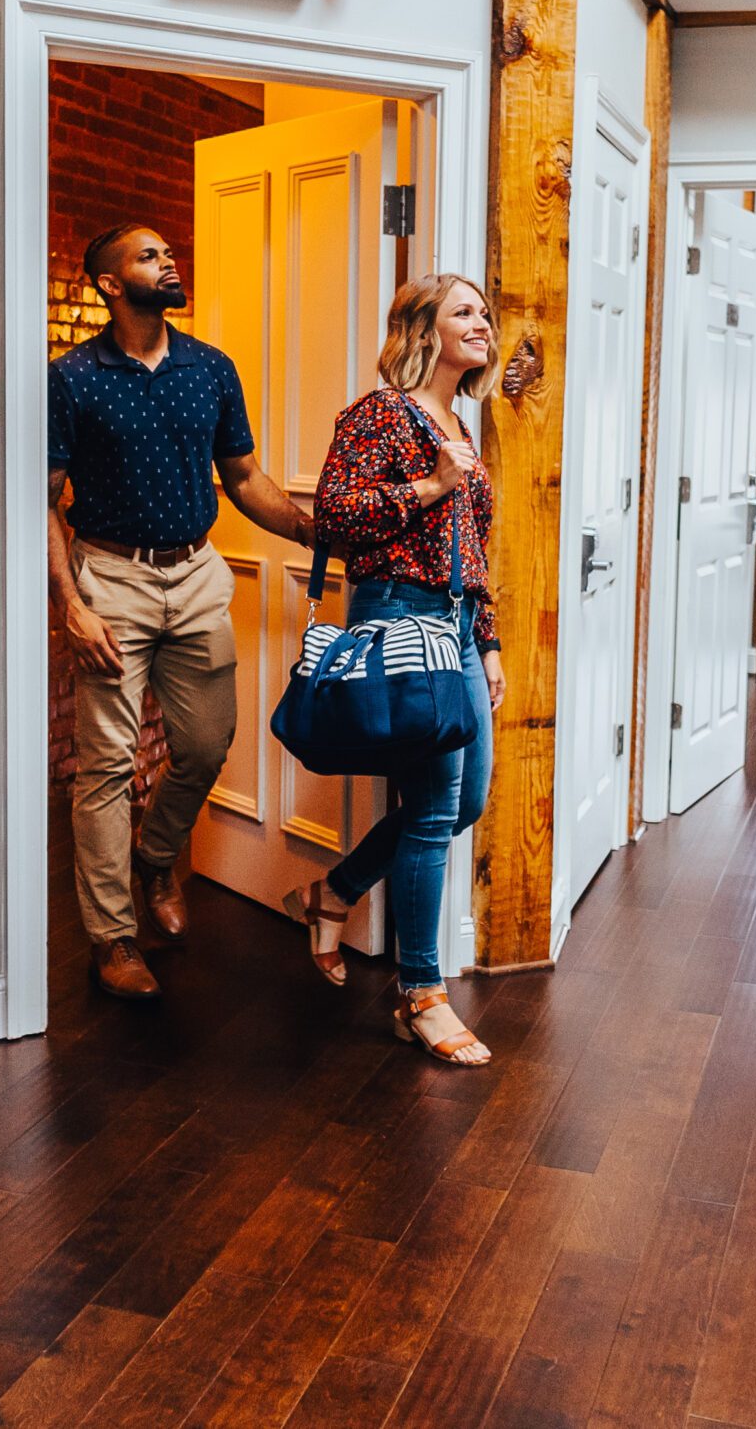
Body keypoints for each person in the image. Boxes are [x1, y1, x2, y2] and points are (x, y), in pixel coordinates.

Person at [50, 223, 313, 1000]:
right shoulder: (72, 378)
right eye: (149, 256)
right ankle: (112, 936)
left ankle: (156, 853)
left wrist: (309, 528)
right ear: (109, 283)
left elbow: (245, 477)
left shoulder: (210, 368)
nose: (168, 262)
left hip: (197, 573)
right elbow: (42, 500)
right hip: (110, 577)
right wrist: (71, 605)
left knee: (205, 743)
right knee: (106, 764)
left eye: (168, 253)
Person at [291, 272, 505, 1065]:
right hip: (399, 615)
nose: (482, 323)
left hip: (456, 624)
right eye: (463, 311)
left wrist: (489, 643)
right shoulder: (380, 413)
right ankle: (421, 994)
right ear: (423, 329)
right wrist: (431, 483)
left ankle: (334, 890)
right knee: (434, 804)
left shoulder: (460, 423)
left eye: (485, 313)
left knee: (463, 800)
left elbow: (472, 552)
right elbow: (335, 515)